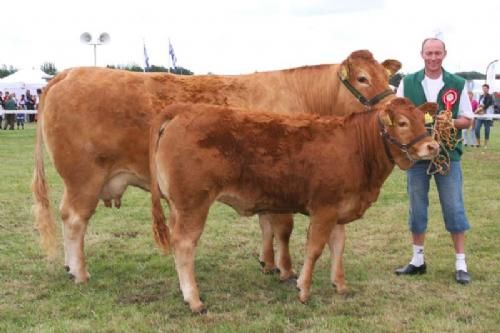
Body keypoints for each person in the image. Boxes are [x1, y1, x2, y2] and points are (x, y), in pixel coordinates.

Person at [395, 38, 474, 284]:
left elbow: (468, 119)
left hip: (448, 156)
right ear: (421, 54)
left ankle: (461, 262)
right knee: (417, 207)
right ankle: (417, 260)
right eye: (429, 53)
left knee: (453, 207)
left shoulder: (457, 84)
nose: (433, 57)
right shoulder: (407, 83)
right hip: (418, 155)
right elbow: (397, 113)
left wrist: (446, 122)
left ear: (444, 54)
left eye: (437, 53)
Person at [474, 84, 494, 148]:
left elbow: (487, 104)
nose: (484, 89)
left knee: (487, 130)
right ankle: (478, 143)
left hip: (487, 116)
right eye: (483, 88)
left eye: (485, 88)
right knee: (477, 129)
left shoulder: (490, 96)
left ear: (488, 89)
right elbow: (479, 104)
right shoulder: (481, 96)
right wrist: (478, 110)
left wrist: (480, 110)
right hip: (480, 115)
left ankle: (485, 144)